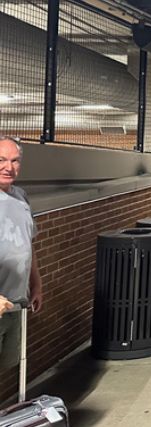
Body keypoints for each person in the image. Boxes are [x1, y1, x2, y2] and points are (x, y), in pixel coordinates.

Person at [0, 137, 44, 370]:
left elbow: (27, 245)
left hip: (16, 303)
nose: (9, 167)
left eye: (15, 161)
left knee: (8, 364)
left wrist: (36, 284)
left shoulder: (20, 196)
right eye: (1, 160)